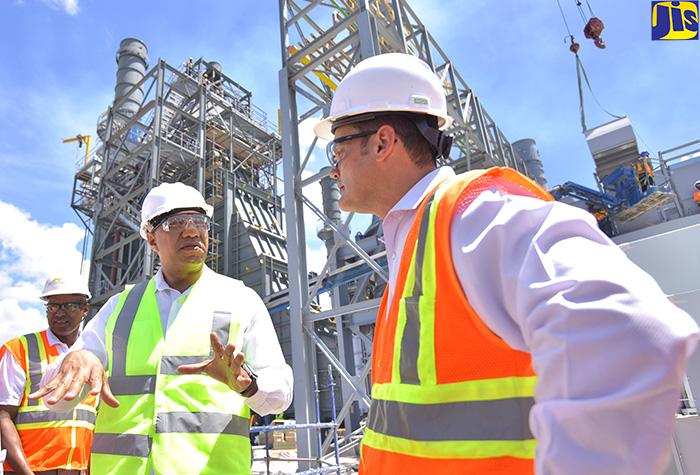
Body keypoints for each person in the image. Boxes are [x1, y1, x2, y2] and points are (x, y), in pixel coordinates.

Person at [313, 53, 699, 475]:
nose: (333, 168)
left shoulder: (474, 215)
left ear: (383, 142)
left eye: (339, 146)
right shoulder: (416, 247)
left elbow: (632, 332)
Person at [29, 182, 293, 475]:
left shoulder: (242, 299)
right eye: (176, 222)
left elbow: (279, 395)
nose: (192, 231)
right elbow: (56, 404)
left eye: (199, 222)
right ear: (152, 240)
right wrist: (75, 360)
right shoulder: (119, 307)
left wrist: (250, 384)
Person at [0, 274, 97, 475]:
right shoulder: (19, 349)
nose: (59, 313)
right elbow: (2, 417)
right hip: (30, 470)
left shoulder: (96, 354)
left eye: (69, 306)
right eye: (53, 306)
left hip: (81, 469)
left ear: (85, 310)